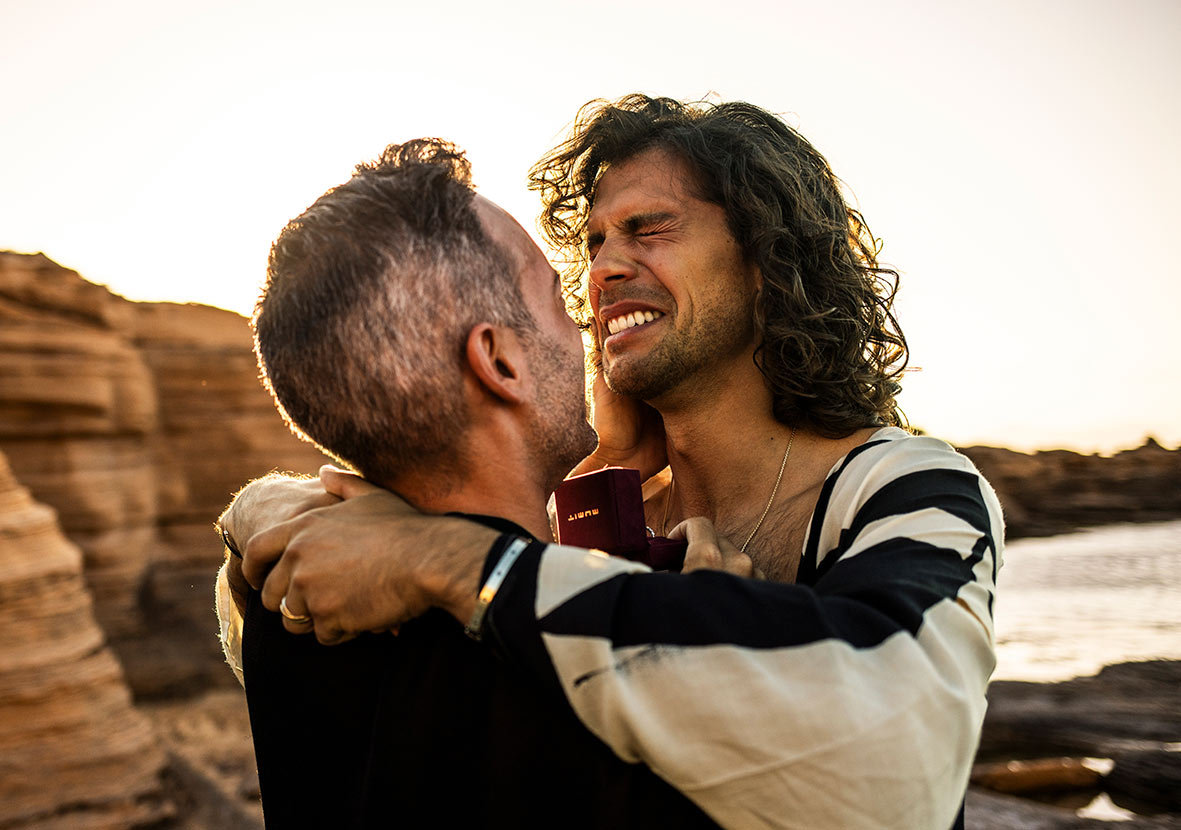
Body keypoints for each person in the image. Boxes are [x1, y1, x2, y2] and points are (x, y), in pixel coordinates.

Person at [224, 96, 1003, 830]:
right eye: (593, 242)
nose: (598, 271)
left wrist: (445, 555)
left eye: (648, 228)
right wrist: (265, 508)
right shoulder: (581, 528)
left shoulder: (901, 486)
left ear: (768, 255)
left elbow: (901, 736)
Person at [222, 137, 725, 827]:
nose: (582, 327)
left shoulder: (291, 618)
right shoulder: (609, 657)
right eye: (553, 298)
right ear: (497, 359)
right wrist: (709, 610)